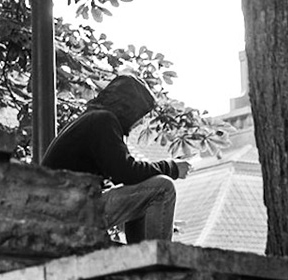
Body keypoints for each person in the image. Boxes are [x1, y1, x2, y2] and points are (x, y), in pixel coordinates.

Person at [40, 74, 189, 243]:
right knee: (163, 187)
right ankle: (158, 260)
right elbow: (127, 172)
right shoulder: (103, 120)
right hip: (67, 214)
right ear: (129, 107)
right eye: (141, 115)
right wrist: (172, 168)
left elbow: (128, 178)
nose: (140, 123)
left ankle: (141, 256)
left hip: (59, 211)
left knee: (143, 192)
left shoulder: (92, 119)